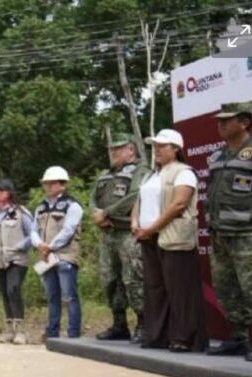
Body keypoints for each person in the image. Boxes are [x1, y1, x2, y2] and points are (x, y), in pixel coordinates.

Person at [131, 129, 208, 352]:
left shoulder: (183, 172)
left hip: (172, 236)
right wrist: (135, 222)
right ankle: (157, 336)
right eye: (154, 146)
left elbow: (178, 204)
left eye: (162, 146)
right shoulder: (150, 175)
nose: (156, 150)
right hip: (148, 238)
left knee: (180, 289)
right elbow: (139, 200)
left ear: (175, 149)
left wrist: (152, 227)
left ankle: (184, 338)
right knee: (155, 288)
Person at [90, 133, 149, 343]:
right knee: (109, 279)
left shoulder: (141, 170)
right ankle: (119, 324)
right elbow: (93, 198)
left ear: (131, 150)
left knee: (133, 278)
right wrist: (97, 215)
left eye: (118, 148)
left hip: (127, 233)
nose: (113, 152)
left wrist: (108, 213)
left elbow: (136, 196)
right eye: (111, 149)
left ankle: (144, 323)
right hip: (108, 234)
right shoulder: (106, 174)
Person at [205, 102, 252, 361]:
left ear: (244, 122)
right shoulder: (218, 156)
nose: (220, 124)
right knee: (226, 288)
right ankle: (238, 338)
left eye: (226, 120)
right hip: (219, 233)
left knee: (250, 288)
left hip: (246, 233)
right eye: (219, 120)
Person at [32, 166, 84, 340]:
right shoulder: (41, 207)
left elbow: (69, 230)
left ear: (62, 185)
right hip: (47, 257)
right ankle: (53, 333)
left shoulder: (73, 205)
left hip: (65, 256)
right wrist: (40, 244)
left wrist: (50, 246)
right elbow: (33, 230)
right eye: (47, 183)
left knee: (69, 296)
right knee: (52, 297)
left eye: (52, 183)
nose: (48, 186)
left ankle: (73, 334)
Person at [0, 179, 35, 345]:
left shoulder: (21, 212)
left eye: (2, 190)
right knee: (5, 292)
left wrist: (21, 245)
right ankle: (9, 330)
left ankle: (21, 331)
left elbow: (33, 234)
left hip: (17, 258)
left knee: (13, 289)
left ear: (10, 193)